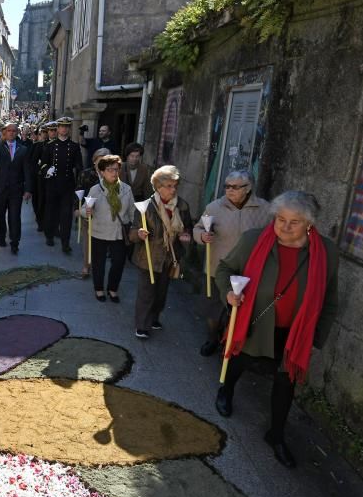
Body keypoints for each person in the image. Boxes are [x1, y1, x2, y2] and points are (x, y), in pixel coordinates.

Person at [215, 191, 338, 468]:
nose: (284, 226)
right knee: (239, 360)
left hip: (294, 331)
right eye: (280, 219)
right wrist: (228, 294)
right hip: (255, 323)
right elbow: (224, 269)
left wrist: (316, 337)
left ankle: (276, 434)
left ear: (309, 224)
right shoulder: (254, 240)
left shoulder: (326, 252)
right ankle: (226, 391)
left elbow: (330, 297)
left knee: (286, 382)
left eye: (294, 222)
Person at [193, 171, 271, 355]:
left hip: (247, 271)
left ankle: (229, 343)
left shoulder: (266, 210)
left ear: (248, 188)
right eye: (227, 186)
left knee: (238, 311)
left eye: (235, 187)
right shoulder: (214, 207)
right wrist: (202, 236)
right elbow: (198, 228)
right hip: (217, 267)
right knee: (213, 309)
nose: (229, 190)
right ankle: (212, 338)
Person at [130, 165, 193, 338]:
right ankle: (142, 325)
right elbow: (132, 232)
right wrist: (139, 234)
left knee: (161, 292)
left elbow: (188, 228)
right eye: (169, 186)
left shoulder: (182, 206)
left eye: (175, 186)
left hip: (169, 257)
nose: (173, 190)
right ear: (158, 187)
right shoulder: (146, 206)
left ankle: (154, 317)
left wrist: (186, 235)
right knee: (146, 292)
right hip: (148, 257)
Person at [85, 155, 134, 303]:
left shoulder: (126, 189)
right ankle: (98, 289)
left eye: (116, 169)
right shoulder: (95, 190)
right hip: (99, 231)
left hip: (119, 232)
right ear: (102, 172)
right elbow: (84, 208)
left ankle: (113, 288)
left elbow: (132, 211)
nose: (113, 172)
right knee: (98, 262)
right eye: (109, 169)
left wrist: (135, 227)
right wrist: (87, 211)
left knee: (118, 262)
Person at [40, 117, 83, 254]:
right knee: (51, 211)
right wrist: (47, 170)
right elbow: (42, 164)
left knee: (66, 215)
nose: (64, 129)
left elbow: (79, 166)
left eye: (66, 127)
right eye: (61, 126)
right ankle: (49, 235)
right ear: (57, 129)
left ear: (69, 129)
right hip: (52, 184)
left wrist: (78, 175)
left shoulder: (74, 146)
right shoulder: (50, 146)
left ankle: (65, 242)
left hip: (67, 185)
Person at [0, 121, 32, 254]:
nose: (12, 133)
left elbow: (27, 170)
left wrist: (28, 189)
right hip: (1, 187)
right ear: (5, 132)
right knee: (0, 214)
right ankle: (1, 236)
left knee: (14, 216)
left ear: (17, 133)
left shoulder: (23, 149)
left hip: (16, 188)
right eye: (9, 130)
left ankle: (15, 242)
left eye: (14, 131)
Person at [77, 147, 113, 276]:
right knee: (88, 241)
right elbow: (79, 191)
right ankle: (86, 265)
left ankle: (98, 266)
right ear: (94, 161)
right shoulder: (86, 174)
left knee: (101, 243)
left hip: (106, 214)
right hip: (89, 212)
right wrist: (79, 210)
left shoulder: (113, 175)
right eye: (100, 160)